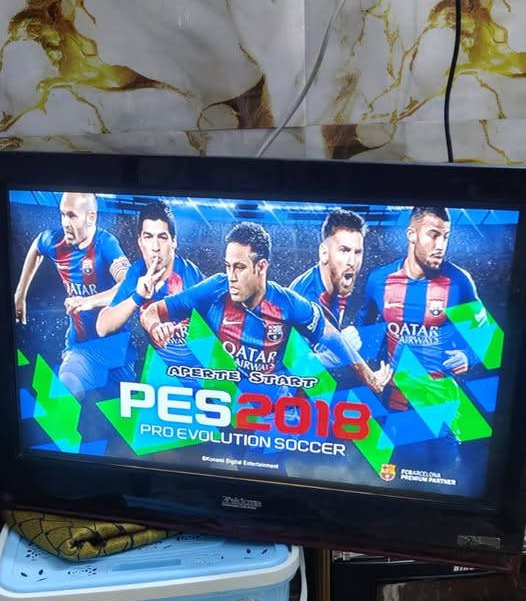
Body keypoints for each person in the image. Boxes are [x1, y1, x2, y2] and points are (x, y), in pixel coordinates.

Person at [131, 220, 390, 392]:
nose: (231, 276)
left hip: (271, 405)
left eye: (239, 267)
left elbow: (333, 337)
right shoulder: (215, 289)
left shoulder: (287, 303)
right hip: (223, 398)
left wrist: (370, 377)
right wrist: (155, 327)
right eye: (228, 266)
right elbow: (151, 312)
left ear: (261, 267)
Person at [355, 205, 488, 487]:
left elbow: (487, 336)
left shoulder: (458, 281)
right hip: (396, 406)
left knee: (445, 486)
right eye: (433, 235)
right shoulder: (379, 279)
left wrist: (469, 356)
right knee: (393, 486)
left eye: (446, 236)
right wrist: (370, 367)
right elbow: (363, 328)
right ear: (412, 234)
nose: (441, 245)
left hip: (442, 409)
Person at [14, 191, 132, 400]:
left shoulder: (106, 244)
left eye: (72, 216)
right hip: (79, 346)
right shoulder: (55, 241)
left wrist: (89, 302)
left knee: (121, 411)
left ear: (91, 217)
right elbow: (36, 247)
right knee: (66, 393)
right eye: (62, 215)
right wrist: (20, 294)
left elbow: (128, 285)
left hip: (114, 347)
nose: (65, 223)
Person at [96, 199, 203, 369]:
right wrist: (137, 298)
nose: (155, 247)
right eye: (148, 237)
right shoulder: (137, 272)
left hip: (196, 366)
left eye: (162, 237)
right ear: (140, 242)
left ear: (173, 242)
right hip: (158, 366)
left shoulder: (190, 275)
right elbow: (102, 327)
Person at [291, 207, 365, 329]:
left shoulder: (333, 284)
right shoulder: (306, 301)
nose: (352, 262)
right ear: (324, 253)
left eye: (357, 252)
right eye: (344, 250)